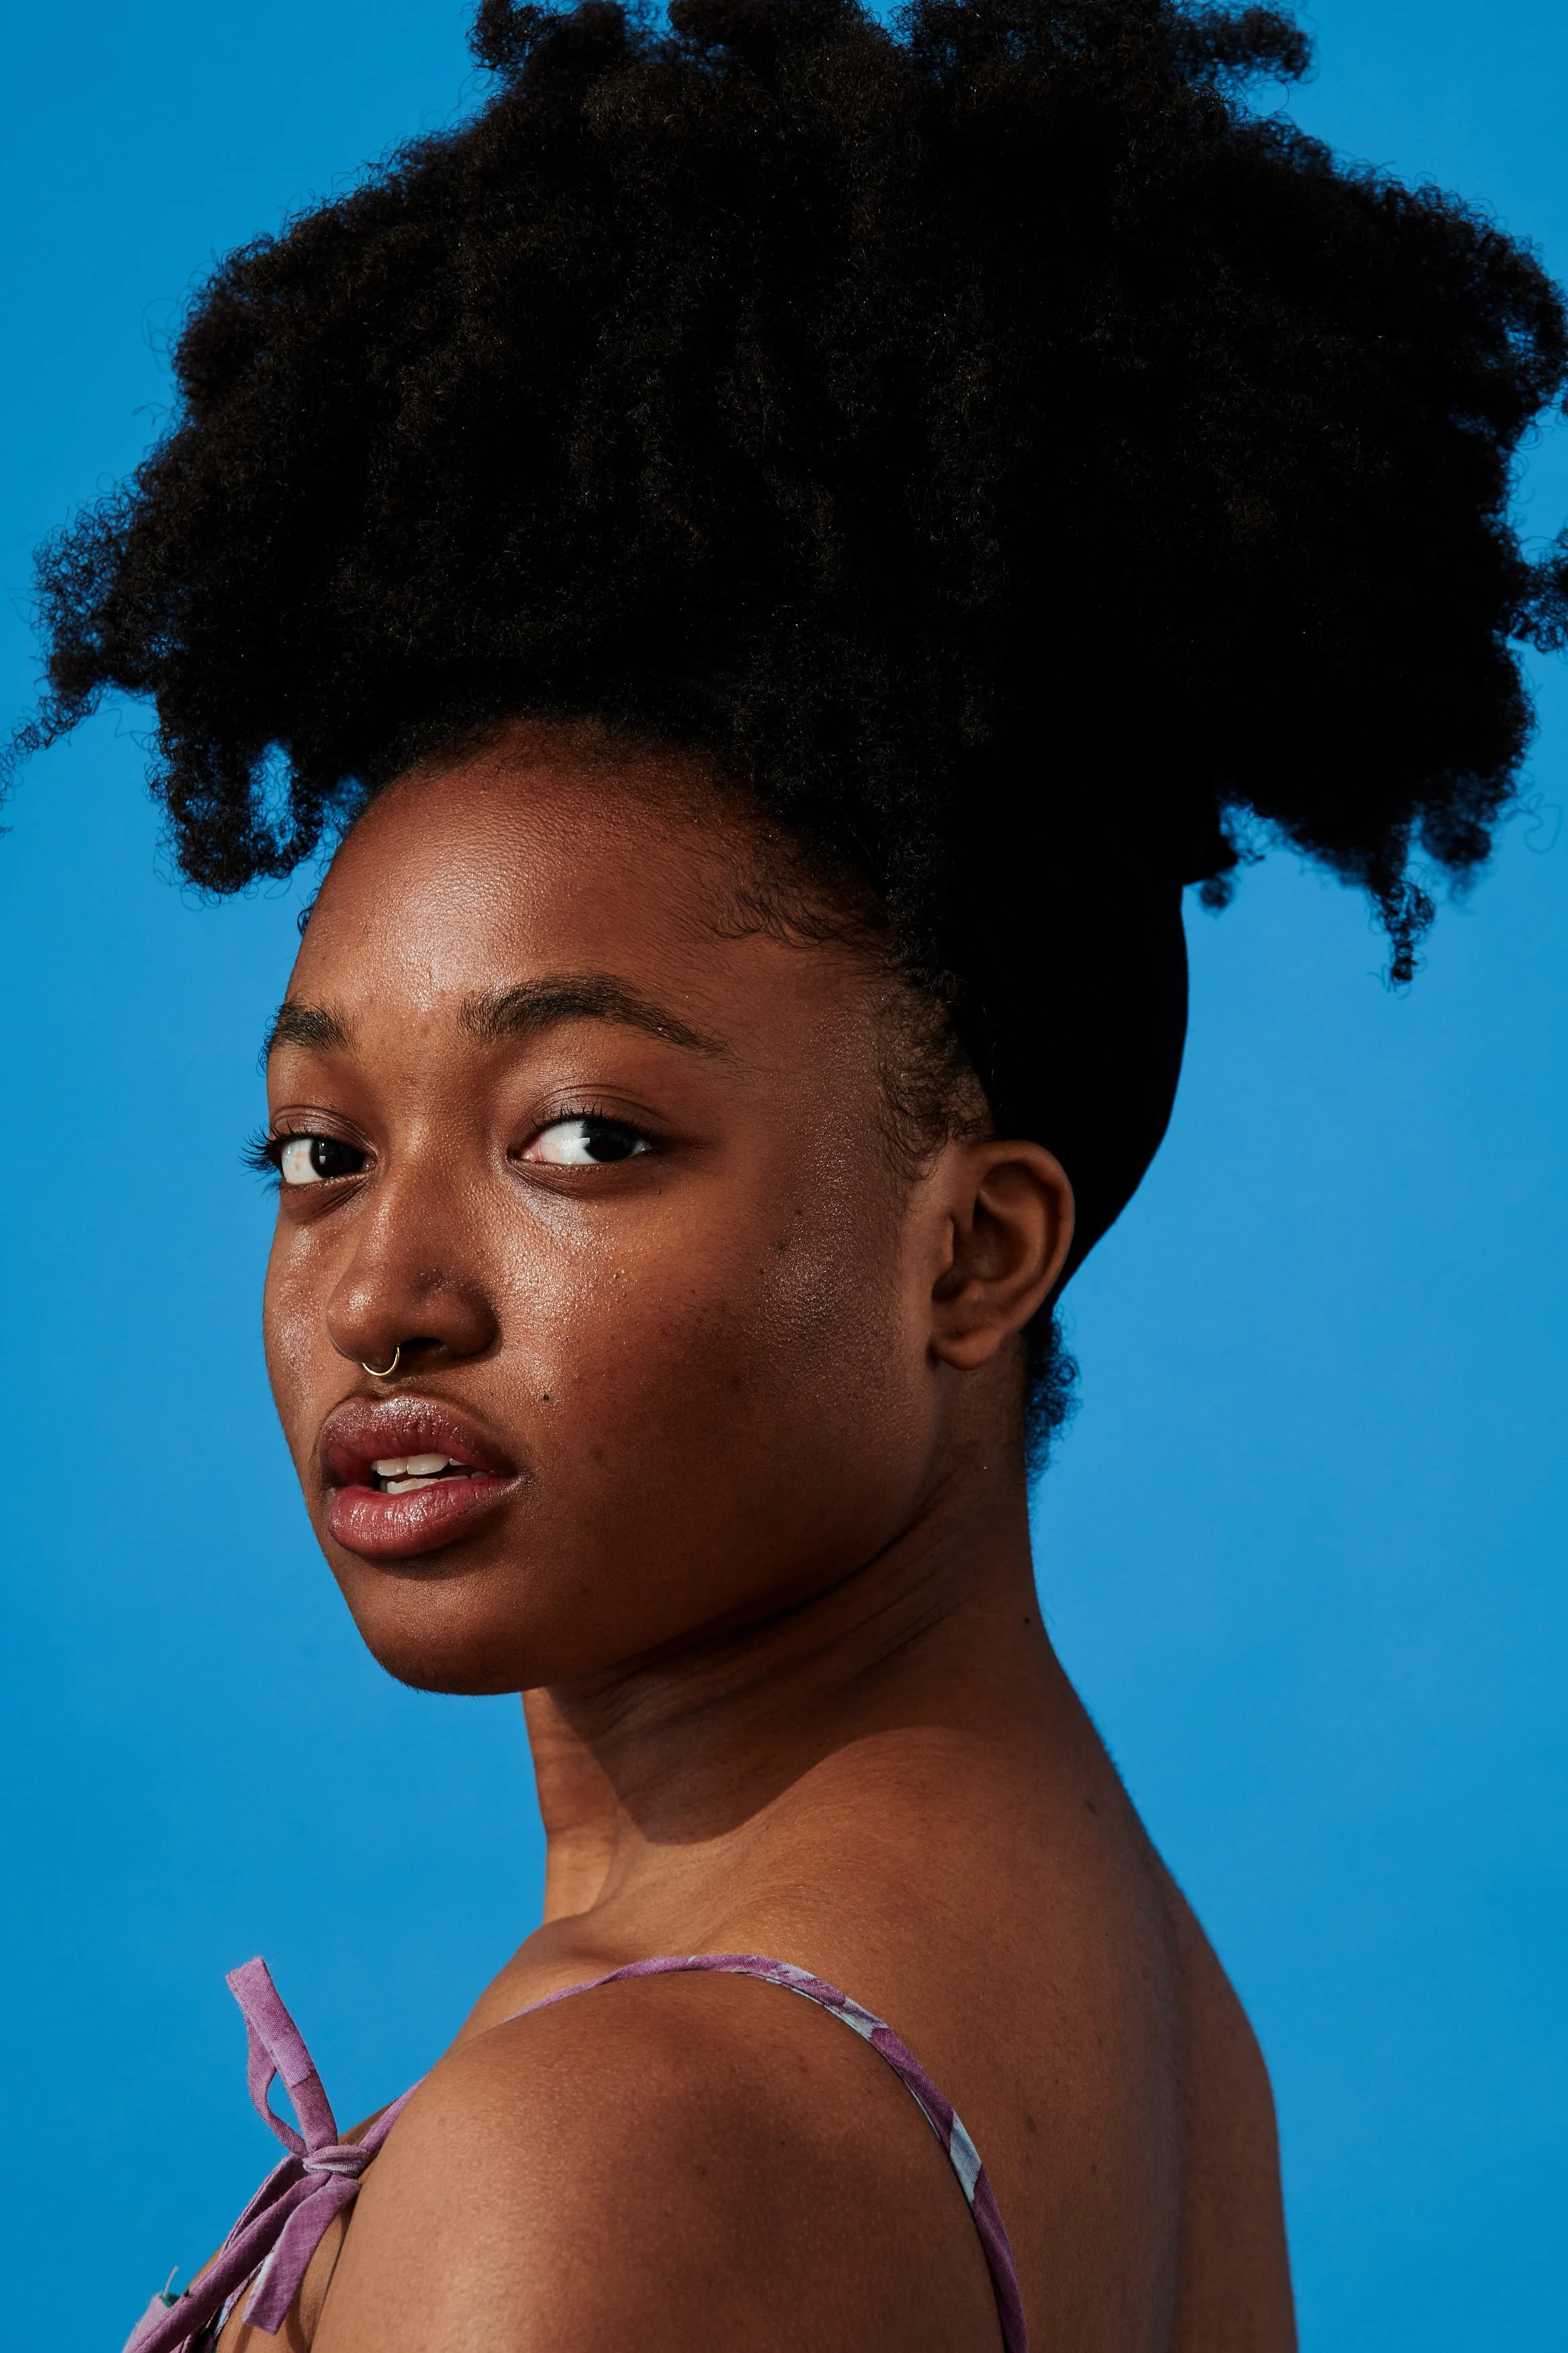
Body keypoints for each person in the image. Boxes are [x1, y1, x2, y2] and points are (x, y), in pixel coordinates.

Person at [17, 2, 1568, 2345]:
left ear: (974, 1248)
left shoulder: (613, 2145)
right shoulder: (1135, 2006)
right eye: (318, 1149)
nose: (382, 1291)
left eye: (583, 1137)